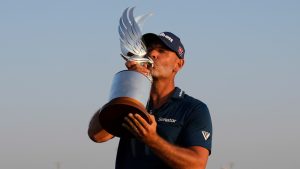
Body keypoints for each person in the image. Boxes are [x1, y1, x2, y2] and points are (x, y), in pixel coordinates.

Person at [88, 32, 213, 169]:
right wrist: (130, 83)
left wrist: (152, 140)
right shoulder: (133, 101)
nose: (152, 54)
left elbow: (197, 165)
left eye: (161, 51)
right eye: (149, 49)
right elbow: (97, 135)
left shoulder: (193, 109)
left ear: (178, 64)